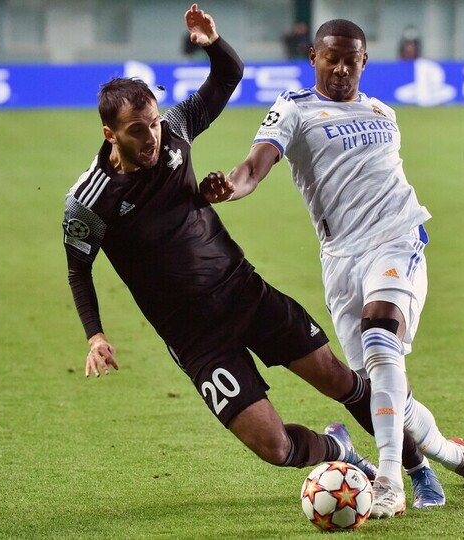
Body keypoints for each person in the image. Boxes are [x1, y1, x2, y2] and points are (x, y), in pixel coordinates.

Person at [200, 18, 464, 519]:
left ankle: (389, 480)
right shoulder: (295, 108)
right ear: (314, 57)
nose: (342, 68)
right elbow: (254, 166)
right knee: (383, 392)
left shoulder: (383, 112)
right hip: (341, 259)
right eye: (332, 58)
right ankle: (457, 457)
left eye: (352, 60)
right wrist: (231, 187)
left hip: (397, 238)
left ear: (364, 61)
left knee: (380, 337)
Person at [63, 4, 387, 489]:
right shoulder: (88, 200)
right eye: (137, 130)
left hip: (243, 292)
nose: (151, 137)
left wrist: (212, 43)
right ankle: (337, 448)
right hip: (194, 336)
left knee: (341, 379)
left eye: (153, 123)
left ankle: (411, 466)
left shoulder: (175, 129)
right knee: (276, 448)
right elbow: (78, 270)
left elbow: (229, 75)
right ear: (110, 134)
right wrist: (95, 335)